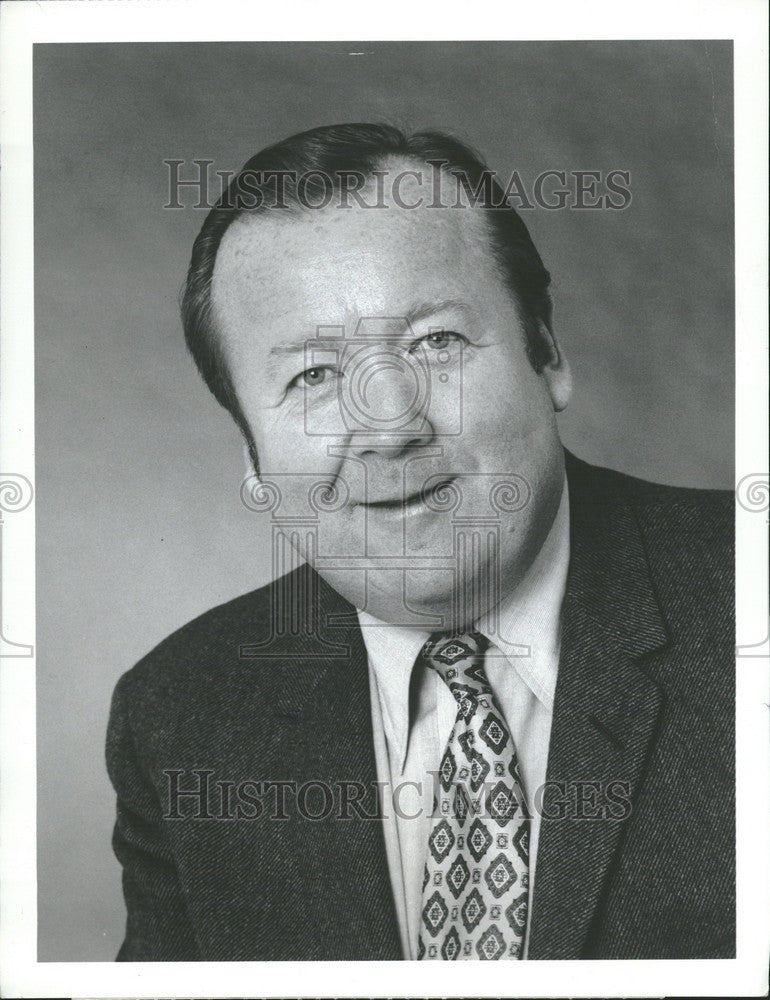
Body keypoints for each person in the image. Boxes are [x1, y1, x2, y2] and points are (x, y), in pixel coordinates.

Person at [106, 123, 734, 961]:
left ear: (546, 354)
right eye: (313, 376)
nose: (389, 426)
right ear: (252, 458)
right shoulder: (180, 717)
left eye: (433, 342)